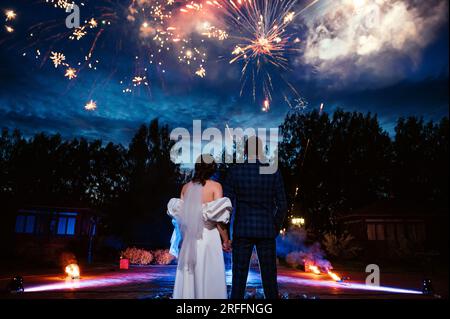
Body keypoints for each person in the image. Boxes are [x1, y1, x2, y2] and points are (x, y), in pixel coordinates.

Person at [224, 136, 287, 299]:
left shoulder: (235, 171)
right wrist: (275, 227)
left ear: (244, 151)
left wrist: (225, 233)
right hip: (266, 230)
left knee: (238, 277)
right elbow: (282, 205)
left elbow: (226, 207)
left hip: (242, 230)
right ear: (261, 150)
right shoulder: (273, 170)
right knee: (269, 278)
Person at [168, 154, 233, 299]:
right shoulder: (216, 187)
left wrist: (181, 239)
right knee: (209, 275)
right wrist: (226, 240)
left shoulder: (185, 188)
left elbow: (182, 219)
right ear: (212, 169)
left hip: (190, 239)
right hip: (209, 239)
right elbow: (219, 220)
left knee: (190, 275)